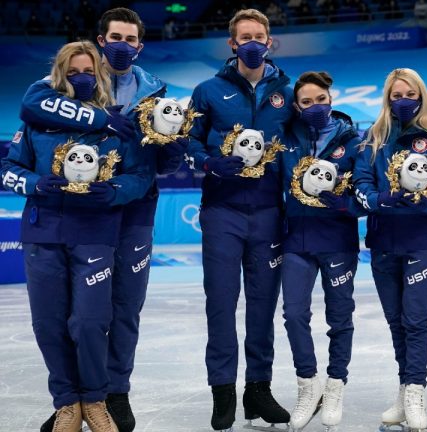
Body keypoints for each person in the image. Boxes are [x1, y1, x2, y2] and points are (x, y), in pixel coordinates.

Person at [18, 8, 177, 432]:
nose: (122, 44)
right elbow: (31, 108)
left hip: (131, 212)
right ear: (101, 39)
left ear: (139, 45)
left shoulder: (155, 93)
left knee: (120, 308)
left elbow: (155, 166)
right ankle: (74, 397)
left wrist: (175, 144)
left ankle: (111, 393)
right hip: (74, 216)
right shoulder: (59, 93)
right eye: (116, 37)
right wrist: (103, 119)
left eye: (131, 38)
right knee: (62, 313)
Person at [185, 8, 293, 432]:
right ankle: (223, 391)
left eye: (259, 36)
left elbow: (301, 145)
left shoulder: (287, 89)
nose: (252, 42)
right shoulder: (207, 90)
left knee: (264, 306)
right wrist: (210, 164)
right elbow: (188, 141)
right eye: (244, 36)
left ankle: (258, 389)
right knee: (221, 303)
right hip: (222, 212)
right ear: (232, 44)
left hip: (269, 212)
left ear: (270, 42)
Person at [354, 68, 427, 432]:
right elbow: (362, 183)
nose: (403, 100)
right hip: (383, 240)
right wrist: (379, 200)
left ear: (421, 95)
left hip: (421, 240)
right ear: (388, 98)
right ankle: (404, 387)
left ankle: (416, 391)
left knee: (416, 319)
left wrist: (425, 203)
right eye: (397, 94)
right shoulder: (373, 137)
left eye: (410, 94)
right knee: (395, 320)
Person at [278, 71, 363, 431]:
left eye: (321, 100)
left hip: (338, 240)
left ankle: (335, 385)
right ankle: (307, 384)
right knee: (294, 314)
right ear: (297, 106)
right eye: (307, 102)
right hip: (296, 239)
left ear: (332, 99)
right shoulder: (285, 139)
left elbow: (364, 197)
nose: (315, 107)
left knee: (339, 317)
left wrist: (344, 203)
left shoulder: (354, 141)